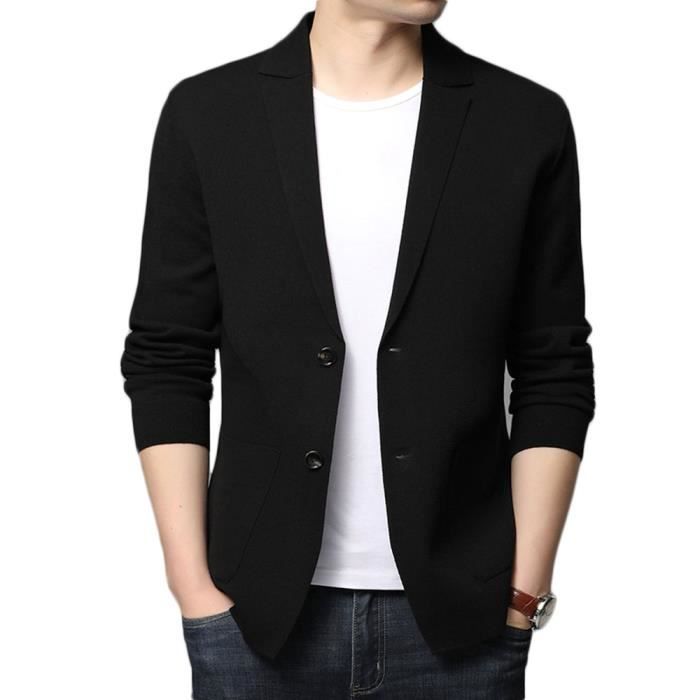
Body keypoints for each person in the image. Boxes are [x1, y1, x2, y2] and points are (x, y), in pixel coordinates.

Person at [120, 2, 595, 698]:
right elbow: (167, 357)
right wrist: (193, 588)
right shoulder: (211, 115)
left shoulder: (522, 121)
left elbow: (553, 365)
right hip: (253, 622)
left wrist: (524, 596)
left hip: (465, 627)